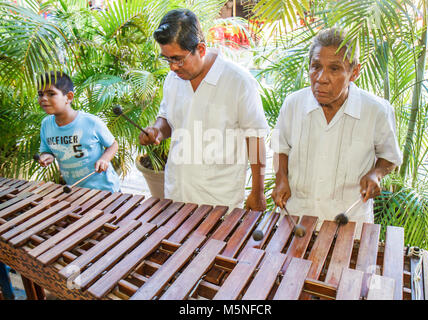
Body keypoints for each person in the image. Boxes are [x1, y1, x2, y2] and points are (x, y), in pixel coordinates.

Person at [271, 28, 402, 236]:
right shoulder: (293, 104)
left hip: (350, 226)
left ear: (354, 72)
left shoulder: (376, 110)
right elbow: (280, 147)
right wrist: (281, 179)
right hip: (296, 220)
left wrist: (376, 174)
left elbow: (389, 157)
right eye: (315, 67)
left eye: (334, 69)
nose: (321, 78)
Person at [139, 9, 269, 211]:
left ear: (200, 49)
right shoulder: (173, 79)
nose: (172, 67)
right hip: (177, 194)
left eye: (177, 59)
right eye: (167, 59)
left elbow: (255, 138)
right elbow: (168, 119)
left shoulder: (238, 81)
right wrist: (156, 130)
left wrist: (257, 192)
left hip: (220, 202)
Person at [37, 71, 120, 193]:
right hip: (76, 190)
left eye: (51, 94)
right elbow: (47, 150)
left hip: (105, 190)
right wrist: (47, 156)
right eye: (40, 94)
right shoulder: (46, 124)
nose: (44, 98)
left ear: (69, 97)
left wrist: (104, 159)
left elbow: (113, 144)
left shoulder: (90, 122)